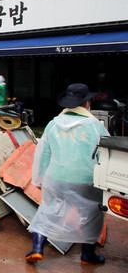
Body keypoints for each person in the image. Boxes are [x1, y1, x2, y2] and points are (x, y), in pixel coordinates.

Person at [25, 83, 109, 265]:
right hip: (86, 180)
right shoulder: (96, 126)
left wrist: (38, 179)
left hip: (55, 178)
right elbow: (107, 152)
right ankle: (88, 255)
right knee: (91, 214)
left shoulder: (53, 124)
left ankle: (37, 249)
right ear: (87, 103)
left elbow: (43, 153)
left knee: (48, 210)